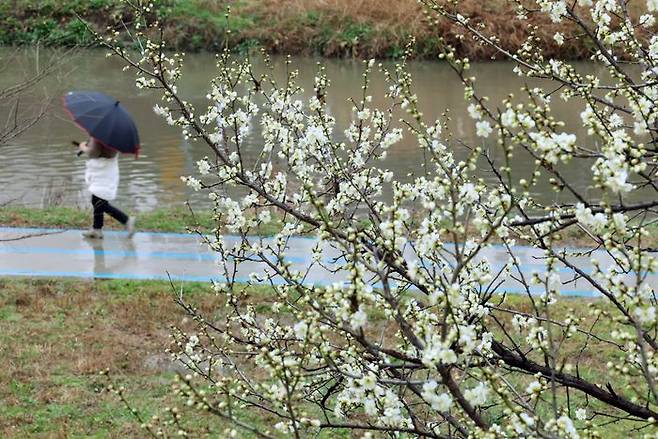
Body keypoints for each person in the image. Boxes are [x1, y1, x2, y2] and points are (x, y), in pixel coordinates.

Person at [78, 138, 135, 239]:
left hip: (101, 171)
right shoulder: (114, 137)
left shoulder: (100, 137)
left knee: (99, 202)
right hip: (108, 169)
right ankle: (97, 230)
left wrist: (83, 147)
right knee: (98, 200)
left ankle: (126, 220)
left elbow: (94, 152)